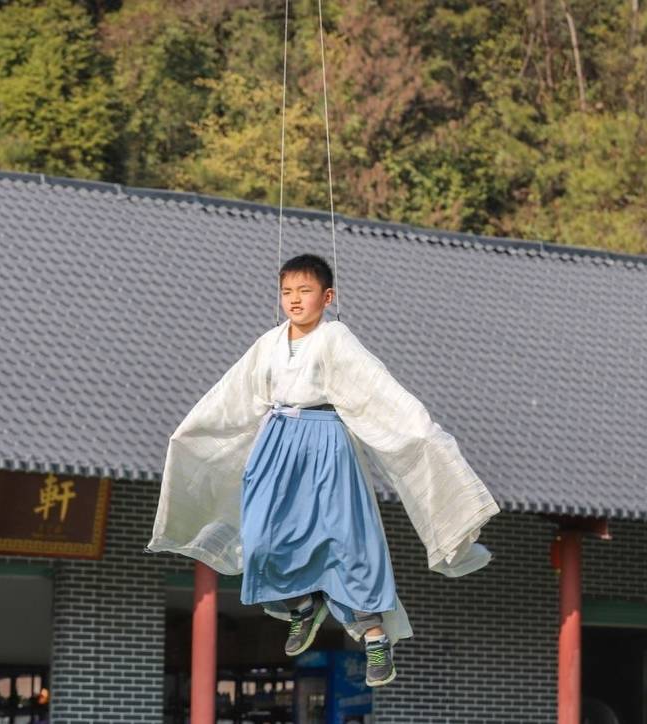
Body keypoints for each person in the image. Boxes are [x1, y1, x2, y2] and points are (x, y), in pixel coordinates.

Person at [148, 253, 500, 687]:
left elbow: (378, 390)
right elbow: (231, 395)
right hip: (276, 442)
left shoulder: (336, 339)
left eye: (305, 291)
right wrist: (190, 433)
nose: (294, 301)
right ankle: (301, 605)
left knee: (346, 540)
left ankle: (373, 635)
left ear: (327, 296)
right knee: (261, 535)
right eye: (287, 292)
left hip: (328, 440)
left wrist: (422, 432)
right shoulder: (269, 343)